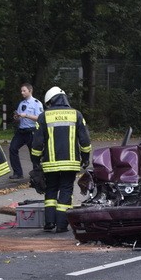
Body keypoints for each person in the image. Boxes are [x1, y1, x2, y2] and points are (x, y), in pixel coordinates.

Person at [31, 86, 92, 233]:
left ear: (51, 101)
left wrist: (35, 160)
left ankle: (49, 223)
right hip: (70, 163)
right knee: (66, 190)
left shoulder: (44, 116)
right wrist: (85, 158)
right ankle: (62, 225)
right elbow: (85, 140)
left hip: (50, 163)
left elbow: (37, 142)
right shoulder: (76, 114)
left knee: (50, 190)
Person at [8, 83, 44, 181]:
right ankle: (17, 173)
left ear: (30, 91)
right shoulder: (21, 103)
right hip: (21, 131)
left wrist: (26, 115)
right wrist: (16, 117)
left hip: (31, 131)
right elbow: (19, 117)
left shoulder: (37, 103)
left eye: (24, 91)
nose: (22, 92)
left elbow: (40, 118)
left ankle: (36, 174)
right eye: (21, 91)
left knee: (34, 154)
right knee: (12, 149)